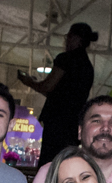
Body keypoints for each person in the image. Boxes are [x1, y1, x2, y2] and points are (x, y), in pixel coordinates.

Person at [18, 22, 99, 167]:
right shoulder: (87, 67)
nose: (66, 40)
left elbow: (48, 87)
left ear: (76, 38)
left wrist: (29, 82)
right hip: (73, 123)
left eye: (68, 37)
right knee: (66, 163)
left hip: (57, 120)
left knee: (49, 163)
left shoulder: (66, 59)